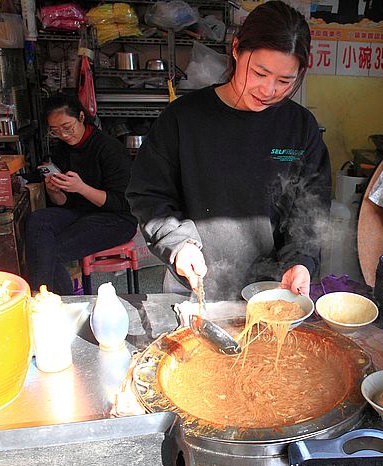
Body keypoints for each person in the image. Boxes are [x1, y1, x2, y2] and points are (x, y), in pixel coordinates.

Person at [127, 1, 330, 300]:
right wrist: (179, 244)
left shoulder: (300, 127)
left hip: (271, 291)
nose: (269, 90)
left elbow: (310, 211)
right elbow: (149, 194)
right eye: (260, 73)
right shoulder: (183, 119)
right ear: (236, 49)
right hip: (194, 286)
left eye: (285, 80)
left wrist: (301, 261)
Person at [25, 95, 138, 294]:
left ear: (81, 117)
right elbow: (64, 204)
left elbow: (122, 203)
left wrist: (81, 187)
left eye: (67, 127)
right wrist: (55, 191)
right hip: (81, 214)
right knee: (37, 220)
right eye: (56, 131)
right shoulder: (61, 149)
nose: (64, 135)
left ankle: (52, 301)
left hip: (117, 219)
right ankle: (42, 295)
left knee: (49, 252)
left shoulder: (109, 148)